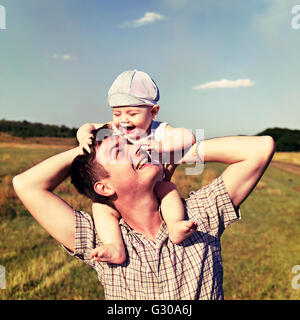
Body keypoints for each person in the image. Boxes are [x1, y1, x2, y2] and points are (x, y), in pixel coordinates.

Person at [12, 124, 275, 299]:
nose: (137, 148)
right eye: (120, 150)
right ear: (104, 187)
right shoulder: (101, 240)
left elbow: (260, 149)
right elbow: (26, 185)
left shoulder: (197, 214)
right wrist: (82, 150)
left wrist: (179, 152)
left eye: (131, 144)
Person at [76, 70, 197, 264]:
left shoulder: (159, 131)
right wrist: (83, 137)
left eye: (132, 113)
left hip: (155, 188)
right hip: (125, 194)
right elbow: (87, 126)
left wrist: (163, 146)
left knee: (168, 189)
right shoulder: (114, 129)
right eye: (117, 113)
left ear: (153, 112)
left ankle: (174, 226)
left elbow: (188, 136)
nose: (123, 119)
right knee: (100, 207)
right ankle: (115, 247)